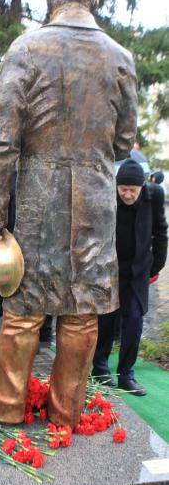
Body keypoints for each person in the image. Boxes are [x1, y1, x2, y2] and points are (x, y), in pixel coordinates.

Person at [0, 0, 138, 428]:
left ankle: (5, 407)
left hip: (37, 203)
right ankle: (67, 414)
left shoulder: (26, 49)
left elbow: (3, 142)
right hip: (95, 201)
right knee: (82, 312)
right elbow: (124, 143)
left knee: (24, 310)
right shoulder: (120, 57)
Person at [92, 159, 167, 395]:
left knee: (134, 319)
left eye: (131, 190)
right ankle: (100, 368)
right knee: (106, 319)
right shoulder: (107, 195)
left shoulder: (153, 195)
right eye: (122, 189)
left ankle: (126, 374)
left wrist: (155, 266)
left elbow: (161, 232)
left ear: (141, 187)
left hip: (138, 270)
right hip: (110, 269)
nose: (126, 194)